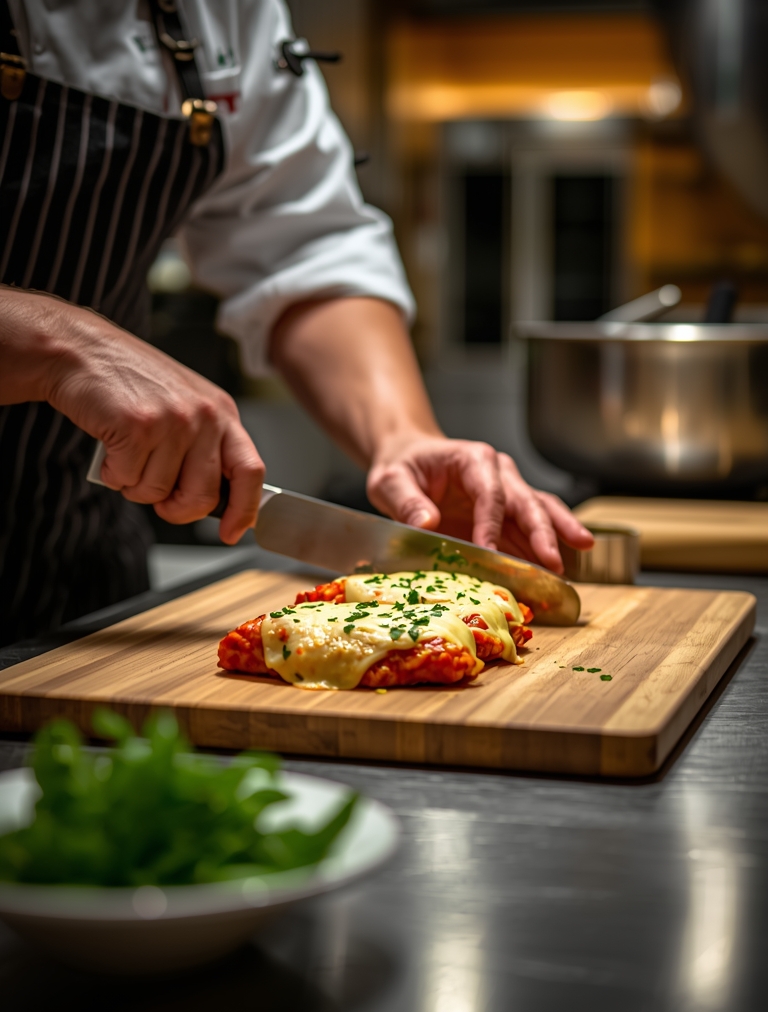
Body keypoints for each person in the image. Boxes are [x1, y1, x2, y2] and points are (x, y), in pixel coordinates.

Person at [0, 0, 592, 647]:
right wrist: (59, 344)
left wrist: (400, 435)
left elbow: (300, 246)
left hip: (78, 570)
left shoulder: (218, 10)